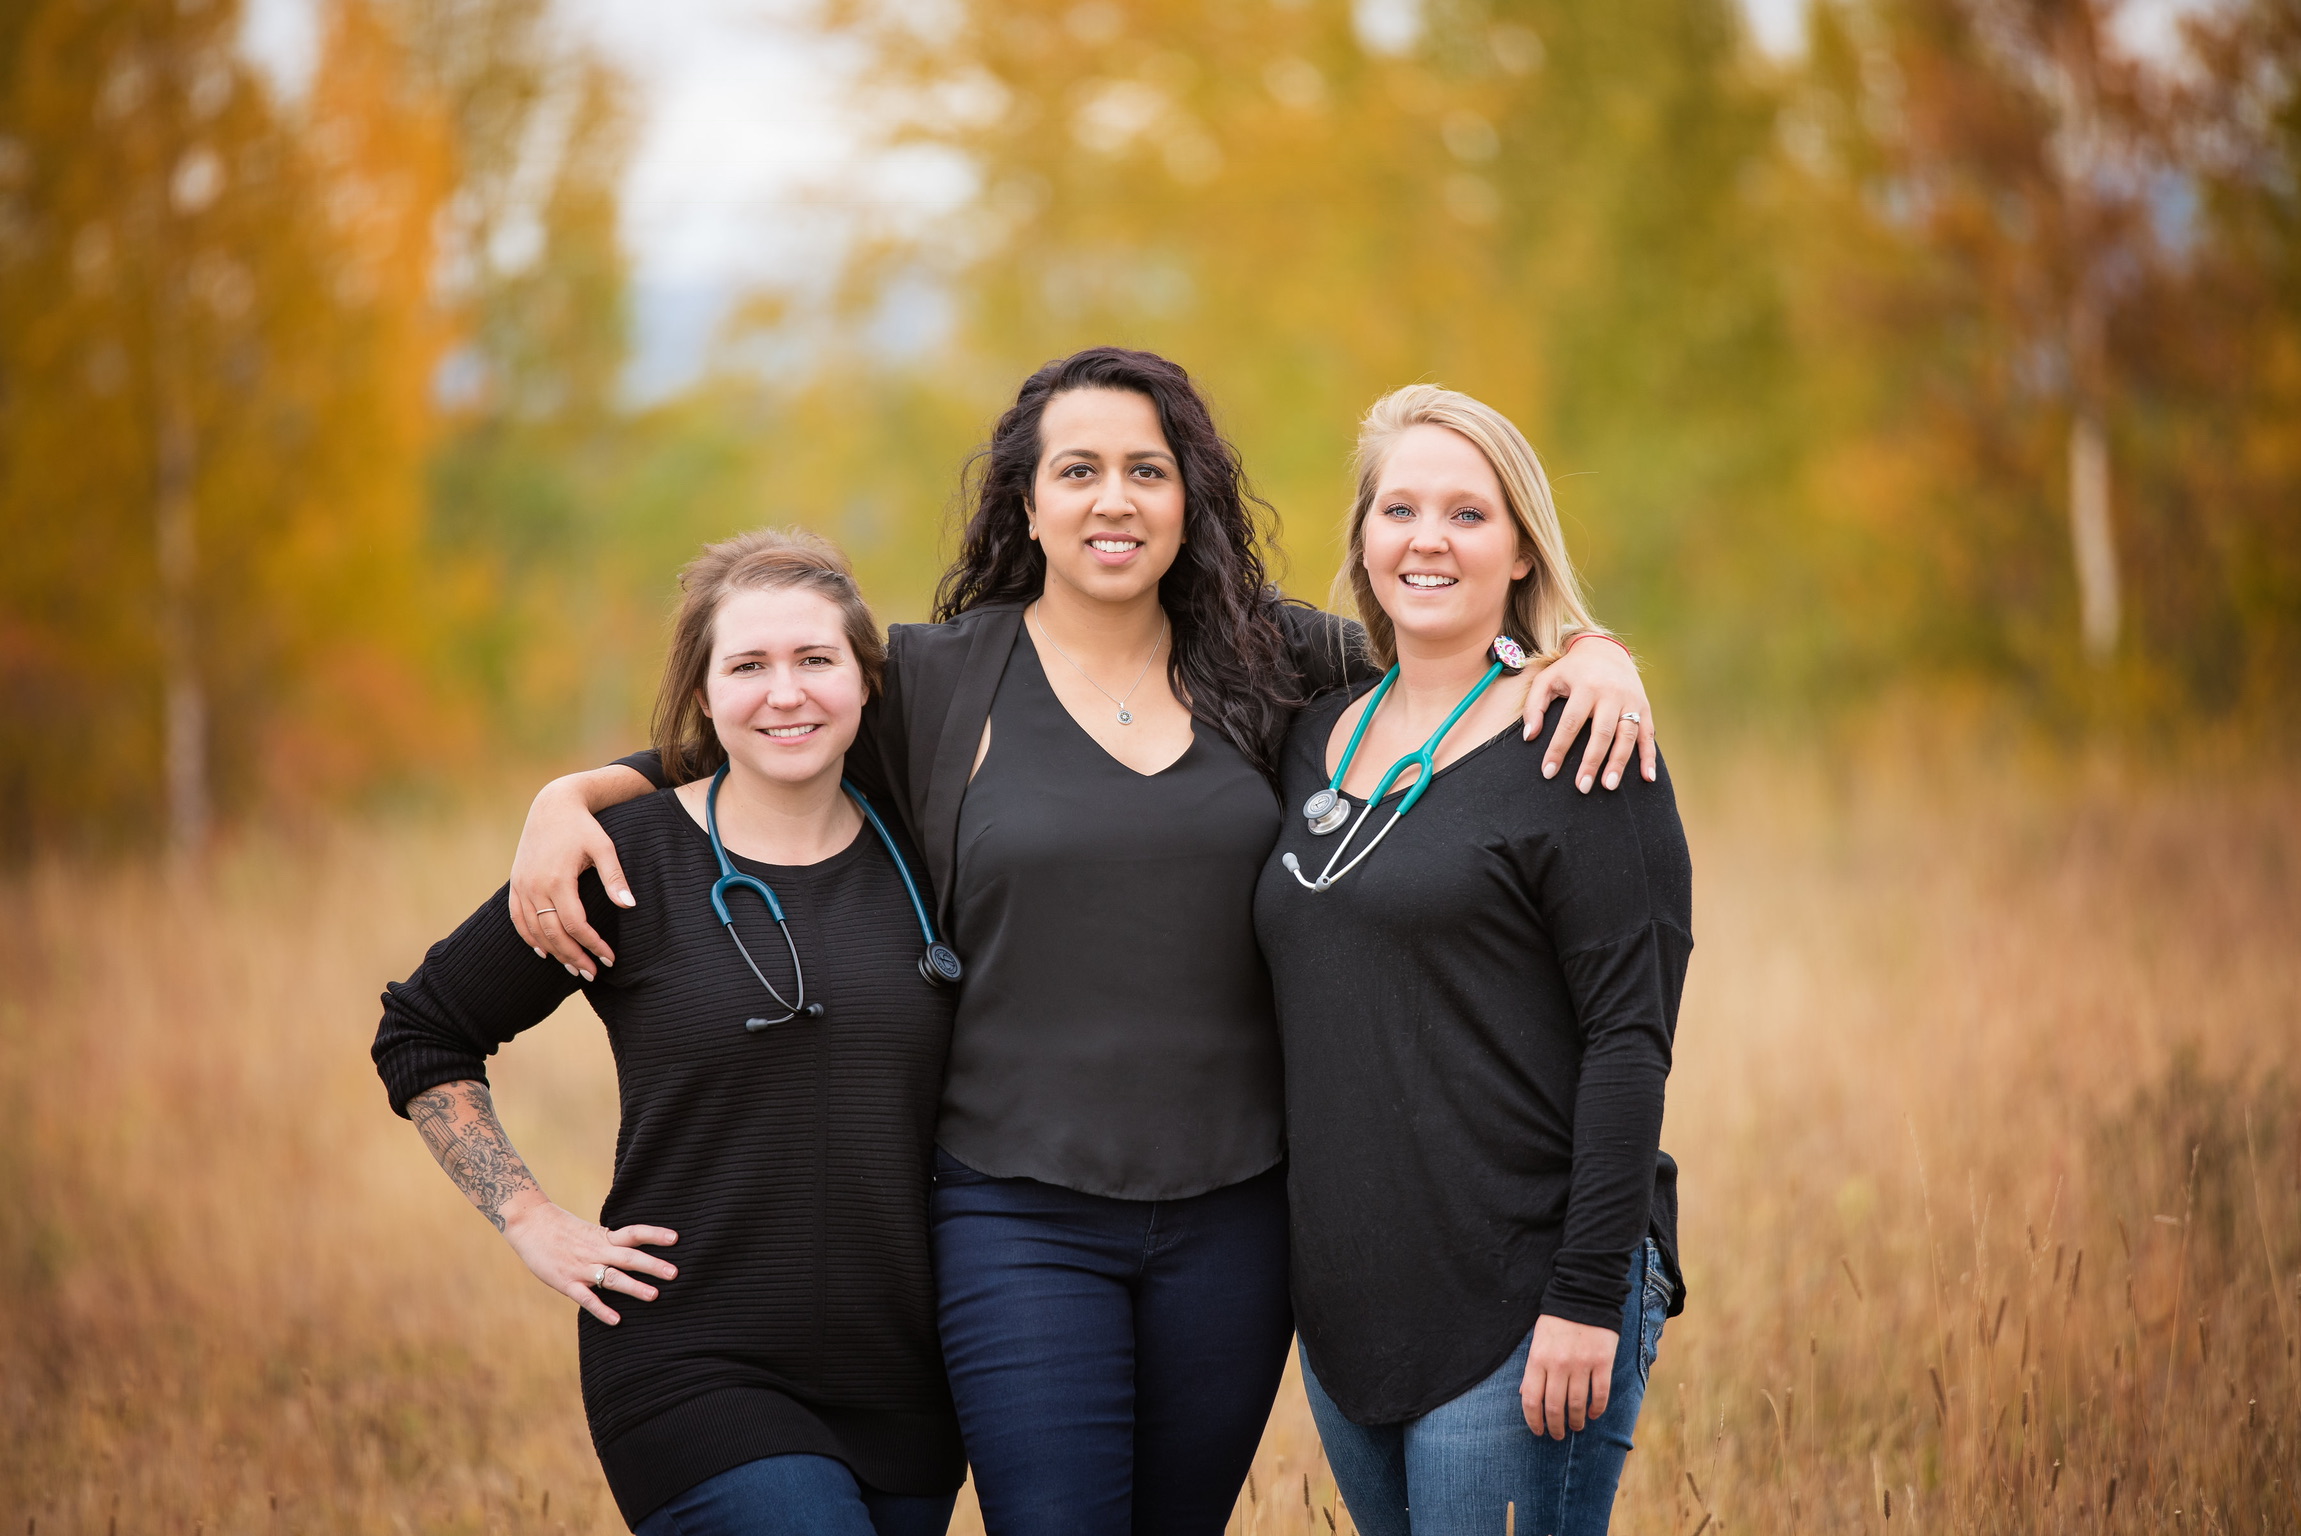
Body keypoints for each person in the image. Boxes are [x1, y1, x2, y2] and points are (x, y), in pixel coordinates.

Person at [505, 348, 1660, 1535]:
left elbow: (1460, 660)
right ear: (1029, 502)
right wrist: (578, 794)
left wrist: (1596, 652)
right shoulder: (948, 683)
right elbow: (775, 723)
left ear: (1188, 498)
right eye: (1079, 470)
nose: (1114, 499)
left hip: (1239, 1227)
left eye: (1147, 471)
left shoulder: (1273, 663)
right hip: (1016, 1220)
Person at [371, 529, 965, 1536]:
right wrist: (529, 1219)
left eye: (816, 660)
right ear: (703, 694)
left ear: (867, 681)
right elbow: (424, 1030)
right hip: (693, 1364)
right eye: (748, 666)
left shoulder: (935, 846)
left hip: (908, 1382)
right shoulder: (619, 862)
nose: (786, 693)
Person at [1254, 386, 1692, 1536]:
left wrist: (1588, 1299)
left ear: (1520, 550)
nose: (1427, 539)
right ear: (1361, 541)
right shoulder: (1312, 731)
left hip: (1526, 1301)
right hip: (1351, 1307)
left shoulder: (1582, 744)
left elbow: (1629, 1038)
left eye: (1468, 513)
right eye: (1399, 508)